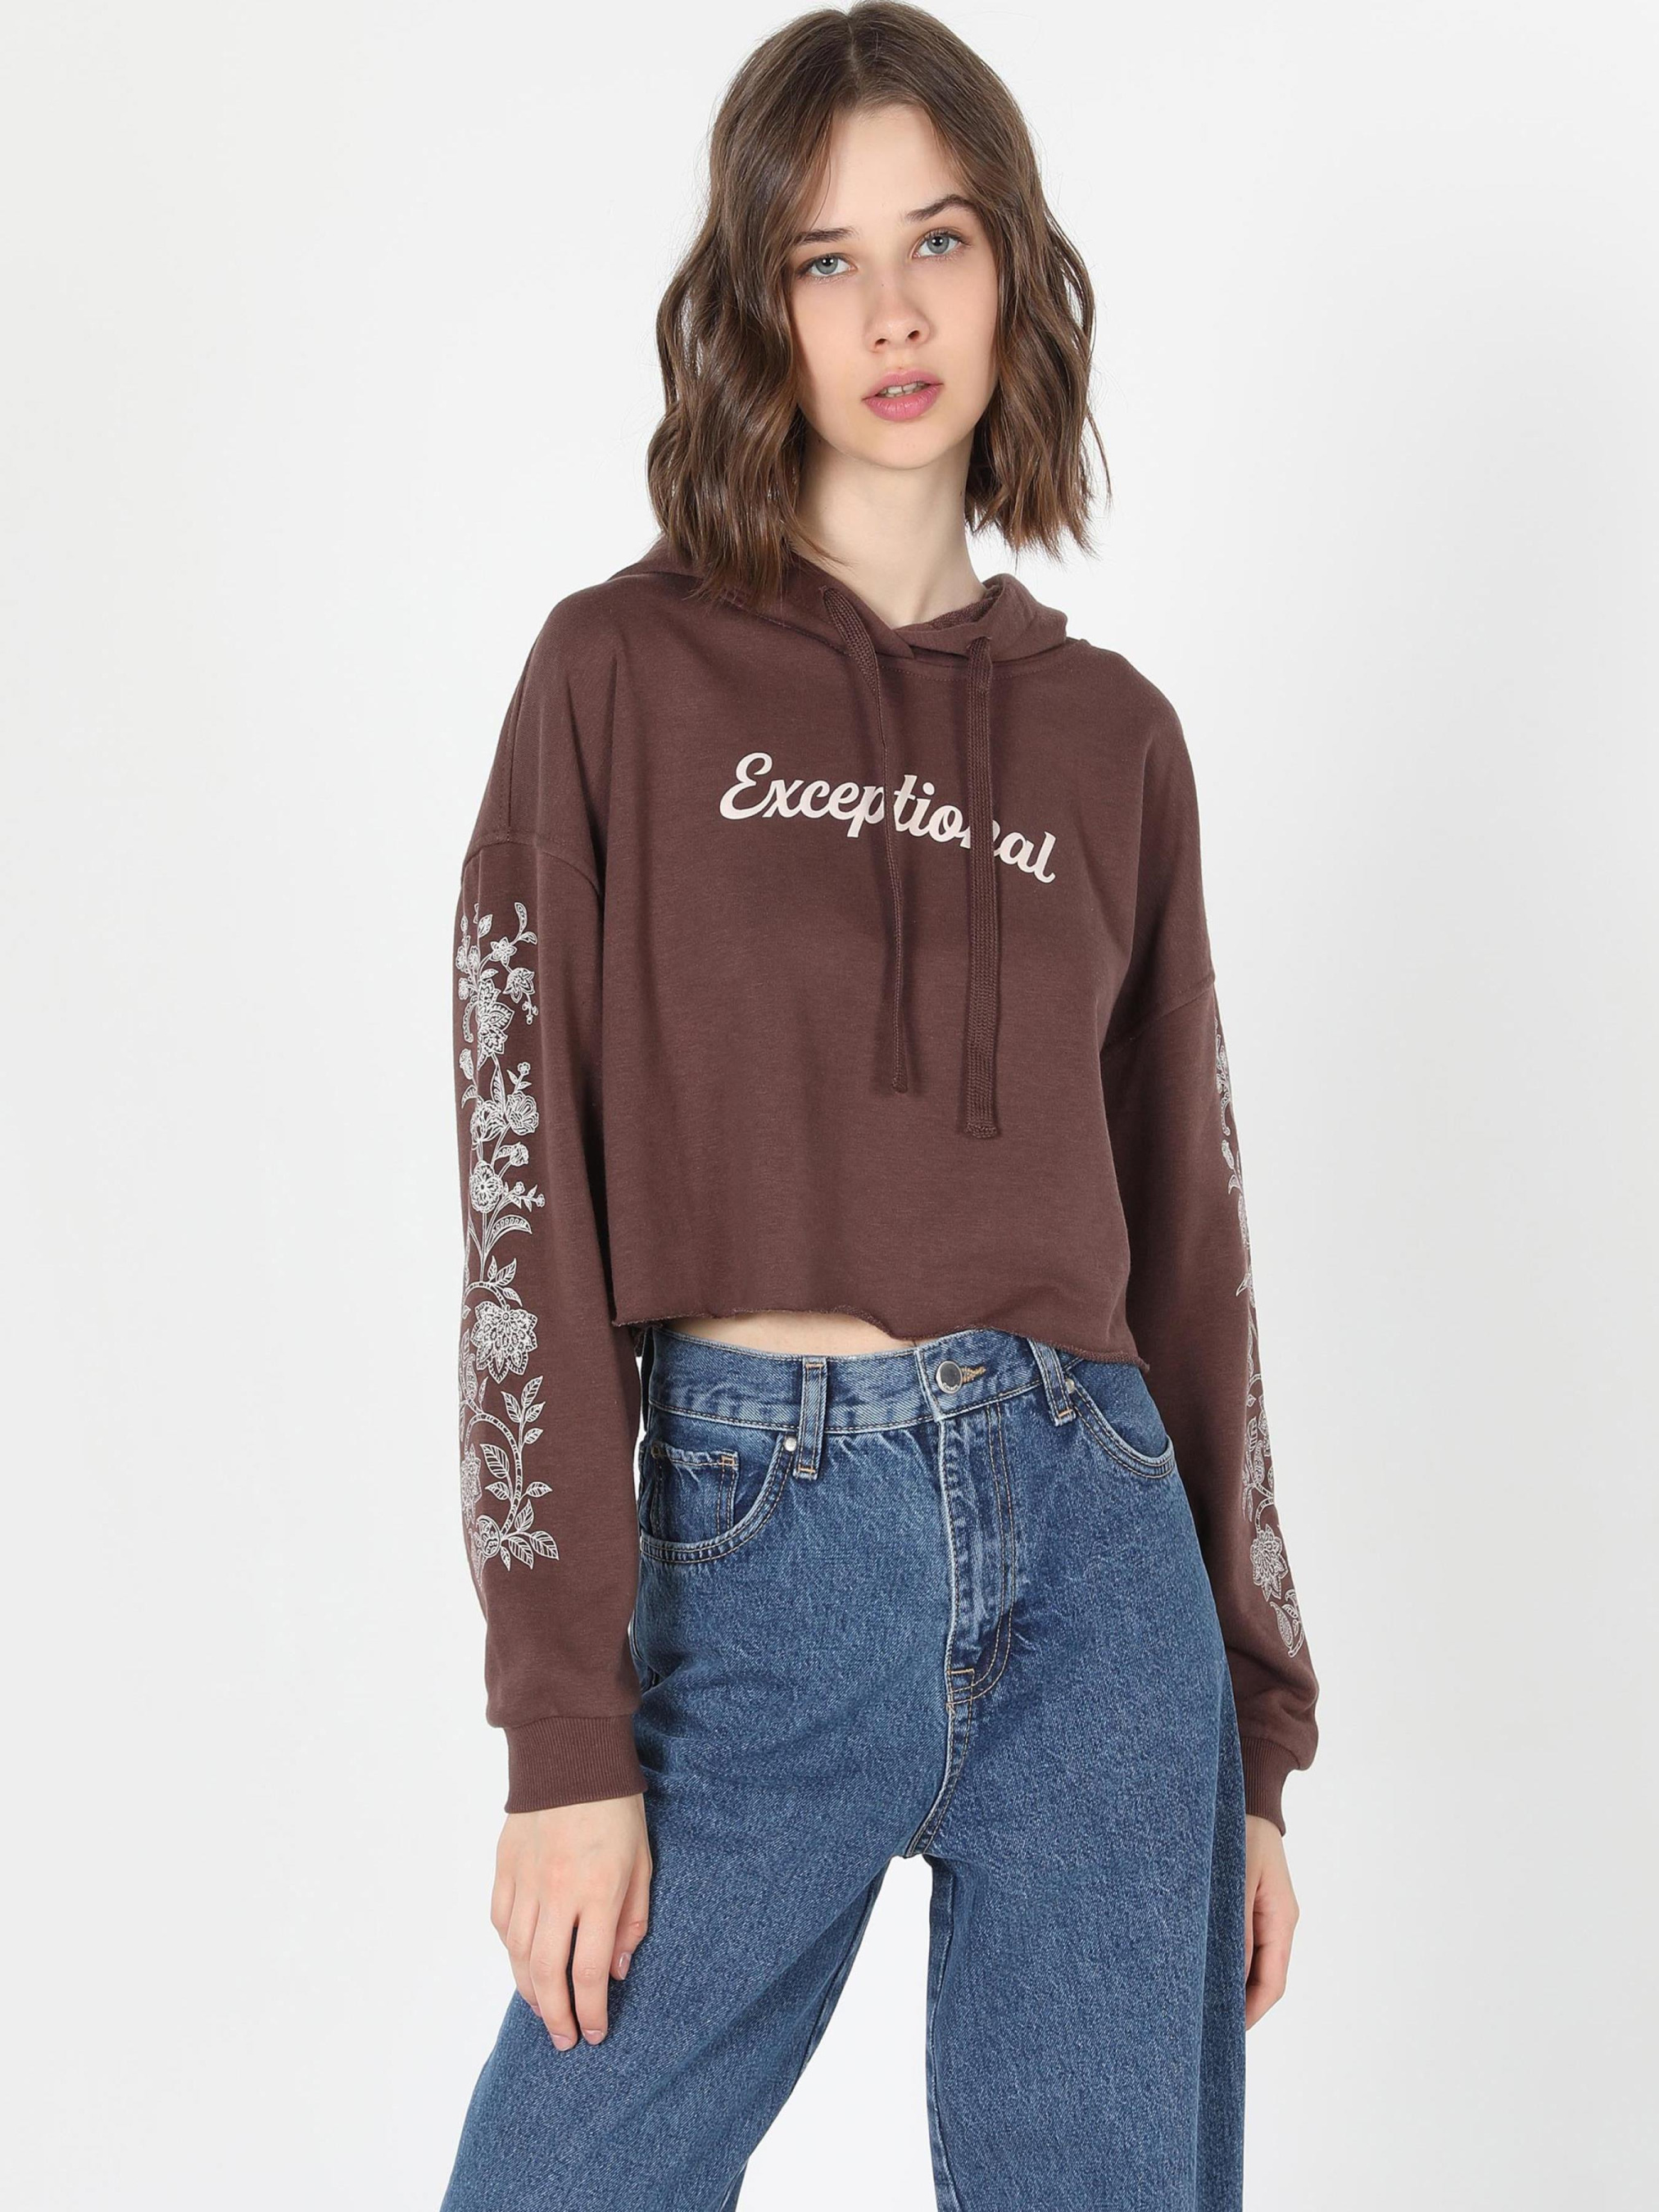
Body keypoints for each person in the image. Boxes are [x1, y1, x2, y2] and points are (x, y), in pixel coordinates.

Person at [442, 7, 1318, 2206]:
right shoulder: (617, 676)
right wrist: (562, 1730)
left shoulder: (1114, 739)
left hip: (1098, 1563)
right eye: (824, 260)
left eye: (936, 240)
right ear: (759, 307)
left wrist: (1251, 1742)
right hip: (760, 1549)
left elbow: (1186, 1239)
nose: (893, 312)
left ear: (1012, 270)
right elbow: (520, 1192)